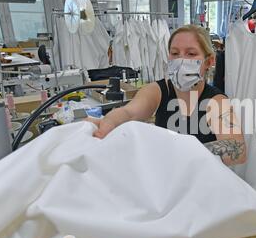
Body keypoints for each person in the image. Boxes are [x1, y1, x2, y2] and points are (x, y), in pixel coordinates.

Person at [88, 25, 246, 166]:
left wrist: (180, 152)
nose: (181, 60)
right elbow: (128, 112)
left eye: (191, 54)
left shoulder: (216, 101)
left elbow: (237, 151)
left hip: (202, 184)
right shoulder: (158, 90)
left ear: (209, 61)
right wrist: (109, 122)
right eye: (175, 53)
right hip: (166, 181)